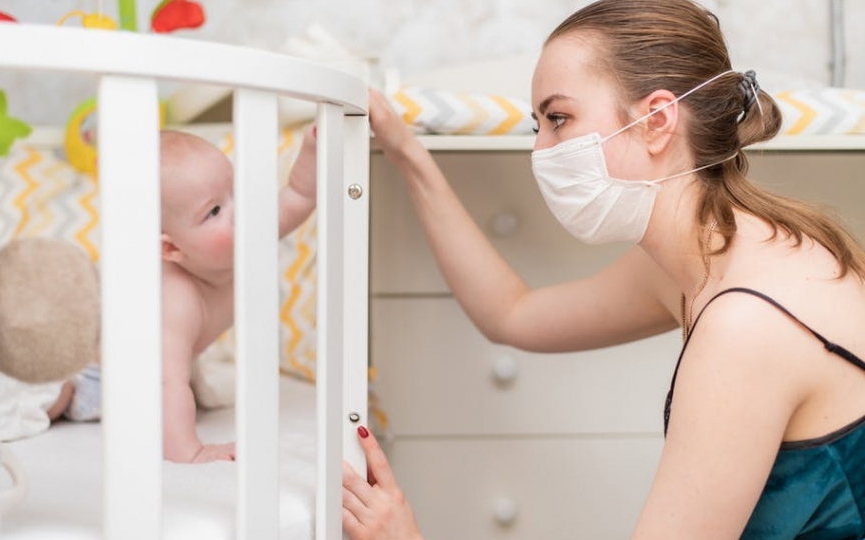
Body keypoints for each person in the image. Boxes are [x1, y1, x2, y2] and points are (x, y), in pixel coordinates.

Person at [342, 0, 865, 538]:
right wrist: (406, 153)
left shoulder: (745, 325)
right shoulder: (732, 246)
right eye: (537, 125)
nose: (541, 150)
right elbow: (513, 315)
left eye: (559, 119)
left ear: (657, 120)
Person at [159, 126, 317, 463]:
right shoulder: (176, 299)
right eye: (214, 211)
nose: (240, 212)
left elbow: (298, 196)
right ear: (172, 248)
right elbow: (167, 382)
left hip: (170, 371)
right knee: (57, 396)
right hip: (102, 377)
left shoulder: (244, 236)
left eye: (237, 192)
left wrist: (313, 150)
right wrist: (190, 451)